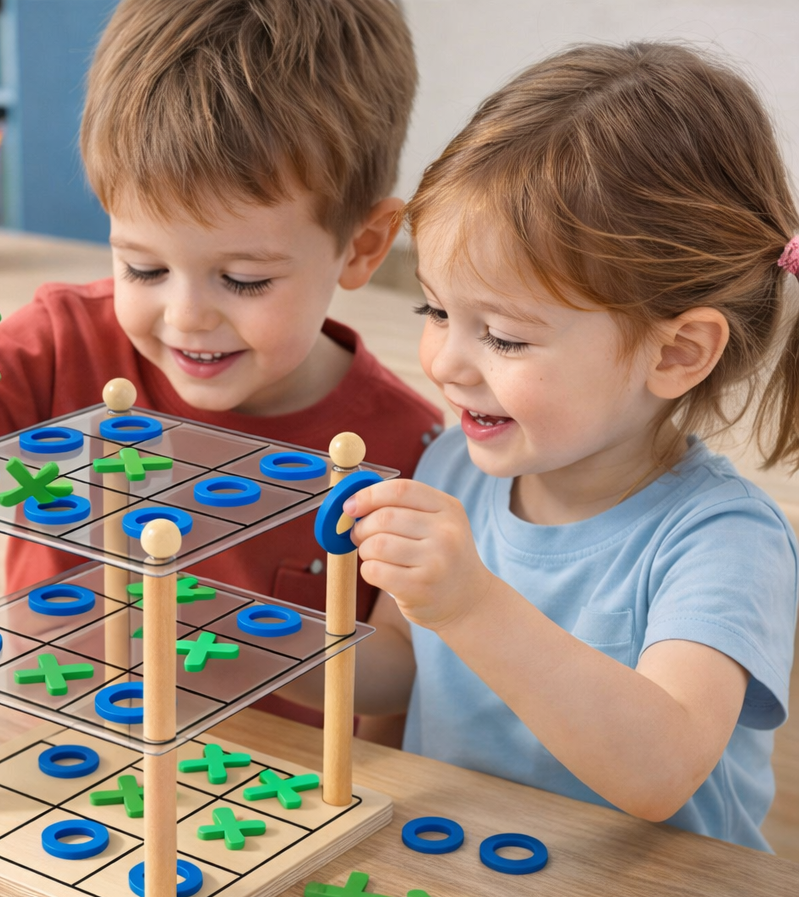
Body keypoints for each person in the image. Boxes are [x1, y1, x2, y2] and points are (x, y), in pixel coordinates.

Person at [0, 0, 441, 740]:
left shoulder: (408, 448)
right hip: (65, 756)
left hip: (267, 790)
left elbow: (397, 682)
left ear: (363, 247)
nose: (186, 315)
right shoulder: (68, 340)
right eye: (143, 266)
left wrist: (214, 628)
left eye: (244, 279)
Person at [338, 42, 798, 849]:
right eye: (436, 312)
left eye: (506, 338)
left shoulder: (727, 543)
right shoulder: (455, 464)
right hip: (465, 888)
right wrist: (234, 645)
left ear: (676, 353)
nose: (445, 362)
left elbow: (661, 770)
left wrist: (471, 603)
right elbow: (401, 662)